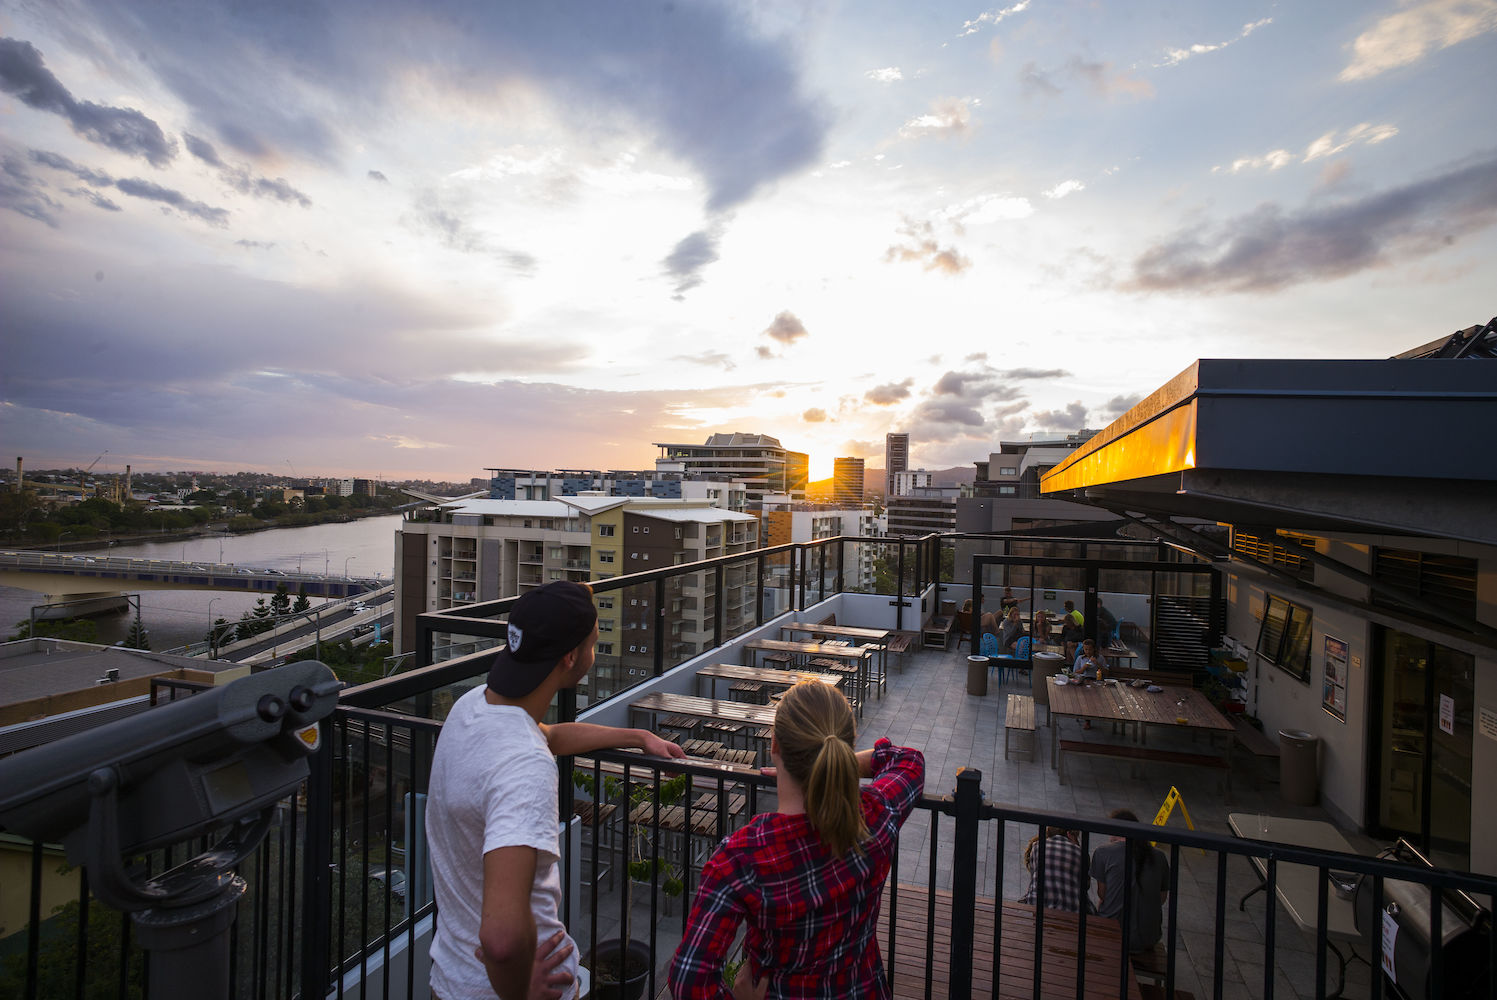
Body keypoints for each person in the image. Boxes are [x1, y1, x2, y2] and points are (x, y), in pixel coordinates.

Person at [425, 580, 687, 1000]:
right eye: (595, 641)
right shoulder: (525, 766)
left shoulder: (473, 708)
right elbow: (501, 940)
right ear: (571, 658)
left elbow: (550, 735)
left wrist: (636, 736)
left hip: (451, 978)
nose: (595, 650)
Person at [669, 681, 925, 999]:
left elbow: (689, 980)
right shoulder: (874, 817)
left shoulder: (741, 861)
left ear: (774, 745)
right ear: (846, 746)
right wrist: (833, 765)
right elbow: (908, 761)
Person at [1090, 809, 1171, 952]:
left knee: (1097, 907)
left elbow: (1103, 894)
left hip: (1113, 933)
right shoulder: (1159, 857)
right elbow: (1162, 898)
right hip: (1149, 937)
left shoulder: (1103, 853)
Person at [1020, 826, 1091, 912]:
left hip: (1038, 907)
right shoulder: (1081, 853)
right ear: (1069, 834)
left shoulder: (1037, 846)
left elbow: (1034, 880)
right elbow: (1085, 886)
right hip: (1070, 912)